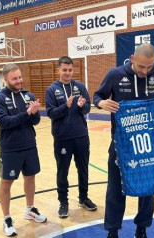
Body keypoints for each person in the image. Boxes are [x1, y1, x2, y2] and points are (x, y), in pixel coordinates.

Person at [93, 43, 154, 238]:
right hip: (120, 144)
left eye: (149, 67)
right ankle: (112, 231)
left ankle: (142, 229)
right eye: (141, 66)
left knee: (148, 187)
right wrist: (101, 103)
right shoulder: (115, 75)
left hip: (149, 144)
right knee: (115, 189)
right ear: (132, 59)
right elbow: (97, 96)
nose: (145, 71)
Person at [0, 63, 47, 237]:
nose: (19, 81)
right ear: (6, 79)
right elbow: (5, 122)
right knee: (6, 182)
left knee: (30, 178)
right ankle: (7, 218)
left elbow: (35, 121)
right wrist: (27, 113)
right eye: (14, 78)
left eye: (20, 77)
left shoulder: (27, 95)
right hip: (10, 148)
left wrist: (35, 112)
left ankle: (29, 209)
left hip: (29, 145)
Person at [45, 56, 97, 218]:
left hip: (81, 135)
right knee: (63, 171)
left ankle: (83, 197)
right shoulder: (51, 90)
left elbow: (88, 108)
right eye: (64, 70)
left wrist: (82, 107)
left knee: (83, 168)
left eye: (70, 70)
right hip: (62, 138)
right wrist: (65, 106)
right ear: (58, 70)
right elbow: (51, 113)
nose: (67, 73)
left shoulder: (80, 87)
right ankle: (63, 202)